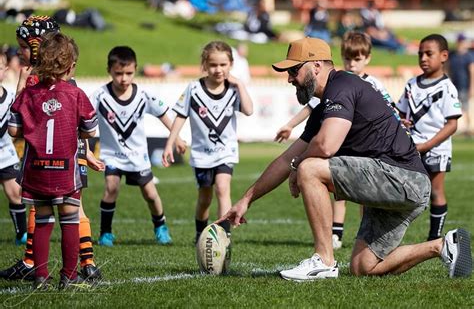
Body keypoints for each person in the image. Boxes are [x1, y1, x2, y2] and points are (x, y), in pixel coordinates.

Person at [219, 37, 472, 280]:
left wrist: (298, 167)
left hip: (402, 180)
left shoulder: (342, 86)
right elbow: (286, 159)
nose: (289, 79)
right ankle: (442, 246)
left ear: (316, 66)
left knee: (310, 169)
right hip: (404, 184)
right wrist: (246, 200)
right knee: (363, 267)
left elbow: (327, 145)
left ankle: (324, 261)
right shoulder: (324, 107)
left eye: (294, 70)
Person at [0, 15, 102, 282]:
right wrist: (86, 151)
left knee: (42, 210)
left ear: (37, 46)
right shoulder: (69, 80)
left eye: (23, 46)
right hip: (71, 154)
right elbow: (80, 121)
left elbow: (19, 121)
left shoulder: (35, 81)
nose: (19, 52)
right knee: (73, 210)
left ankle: (33, 263)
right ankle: (86, 264)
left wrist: (21, 84)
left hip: (46, 158)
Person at [274, 32, 395, 249]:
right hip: (339, 142)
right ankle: (336, 233)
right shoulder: (330, 88)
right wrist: (291, 125)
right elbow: (311, 108)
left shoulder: (363, 84)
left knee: (361, 196)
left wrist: (297, 164)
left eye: (357, 59)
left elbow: (388, 108)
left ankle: (359, 236)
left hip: (369, 152)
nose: (351, 63)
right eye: (347, 58)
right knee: (338, 187)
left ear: (367, 58)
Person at [90, 46, 186, 247]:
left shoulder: (143, 95)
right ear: (109, 70)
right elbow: (84, 119)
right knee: (111, 188)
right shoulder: (99, 96)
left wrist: (176, 138)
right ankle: (106, 233)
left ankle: (161, 227)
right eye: (118, 73)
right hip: (112, 155)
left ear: (135, 69)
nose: (123, 78)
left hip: (138, 156)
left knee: (151, 194)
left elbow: (163, 115)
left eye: (128, 73)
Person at [162, 41, 253, 243]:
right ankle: (200, 233)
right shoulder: (194, 89)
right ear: (204, 65)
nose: (218, 70)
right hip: (202, 154)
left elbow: (248, 110)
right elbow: (180, 116)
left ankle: (223, 237)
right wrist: (170, 143)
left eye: (223, 65)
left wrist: (240, 84)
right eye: (213, 65)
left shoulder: (233, 89)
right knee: (204, 199)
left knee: (222, 188)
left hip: (225, 152)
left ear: (231, 64)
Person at [397, 34, 462, 241]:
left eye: (429, 54)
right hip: (412, 147)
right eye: (420, 54)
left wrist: (427, 145)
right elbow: (400, 113)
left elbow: (452, 124)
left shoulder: (446, 88)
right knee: (403, 190)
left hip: (436, 148)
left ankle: (434, 237)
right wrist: (402, 122)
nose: (423, 58)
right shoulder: (411, 84)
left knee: (435, 192)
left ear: (443, 56)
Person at [0, 51, 26, 245]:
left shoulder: (10, 98)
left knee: (15, 193)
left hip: (5, 156)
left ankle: (22, 234)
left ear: (5, 70)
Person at [448, 33, 474, 135]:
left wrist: (472, 87)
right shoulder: (453, 55)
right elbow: (448, 68)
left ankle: (468, 128)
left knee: (465, 107)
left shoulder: (468, 56)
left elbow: (472, 72)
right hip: (454, 85)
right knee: (455, 107)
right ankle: (455, 128)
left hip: (464, 85)